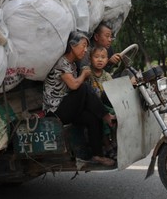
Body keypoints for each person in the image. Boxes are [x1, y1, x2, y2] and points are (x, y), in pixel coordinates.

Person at [42, 30, 116, 167]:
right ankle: (107, 116)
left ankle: (98, 155)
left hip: (67, 107)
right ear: (72, 46)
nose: (85, 50)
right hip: (55, 111)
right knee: (83, 87)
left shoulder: (73, 64)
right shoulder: (62, 63)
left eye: (87, 46)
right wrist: (83, 75)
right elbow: (74, 85)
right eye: (83, 45)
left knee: (93, 117)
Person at [88, 45, 117, 160]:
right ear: (90, 59)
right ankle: (108, 146)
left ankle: (115, 141)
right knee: (103, 121)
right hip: (94, 106)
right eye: (96, 57)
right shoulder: (88, 73)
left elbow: (113, 91)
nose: (100, 60)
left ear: (107, 60)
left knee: (117, 114)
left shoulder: (107, 76)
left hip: (105, 104)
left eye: (103, 57)